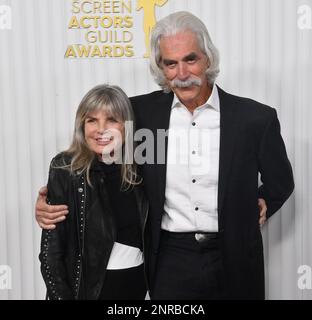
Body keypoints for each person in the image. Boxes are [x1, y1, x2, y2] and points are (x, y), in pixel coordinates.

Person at [36, 11, 294, 299]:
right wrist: (53, 202)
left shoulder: (255, 119)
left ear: (208, 58)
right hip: (169, 260)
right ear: (161, 68)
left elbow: (281, 183)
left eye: (190, 59)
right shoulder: (138, 113)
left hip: (235, 255)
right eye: (170, 64)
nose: (182, 74)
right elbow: (97, 153)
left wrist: (260, 204)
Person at [39, 84, 148, 300]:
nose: (101, 129)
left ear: (126, 125)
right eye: (92, 120)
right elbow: (51, 255)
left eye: (112, 120)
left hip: (135, 287)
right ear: (82, 126)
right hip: (87, 292)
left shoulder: (141, 168)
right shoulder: (65, 168)